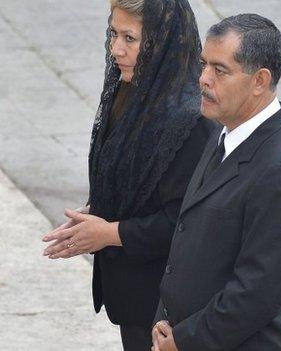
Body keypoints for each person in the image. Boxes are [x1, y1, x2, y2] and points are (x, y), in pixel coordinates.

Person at [41, 0, 216, 349]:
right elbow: (132, 182)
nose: (116, 49)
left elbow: (184, 224)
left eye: (130, 38)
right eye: (113, 34)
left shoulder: (190, 122)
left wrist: (108, 233)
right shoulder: (131, 94)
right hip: (134, 298)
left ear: (163, 40)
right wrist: (95, 215)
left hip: (163, 310)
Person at [150, 13, 281, 351]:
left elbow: (256, 292)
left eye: (220, 70)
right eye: (204, 65)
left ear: (260, 80)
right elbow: (188, 241)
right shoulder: (225, 130)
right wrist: (164, 323)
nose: (203, 79)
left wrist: (183, 341)